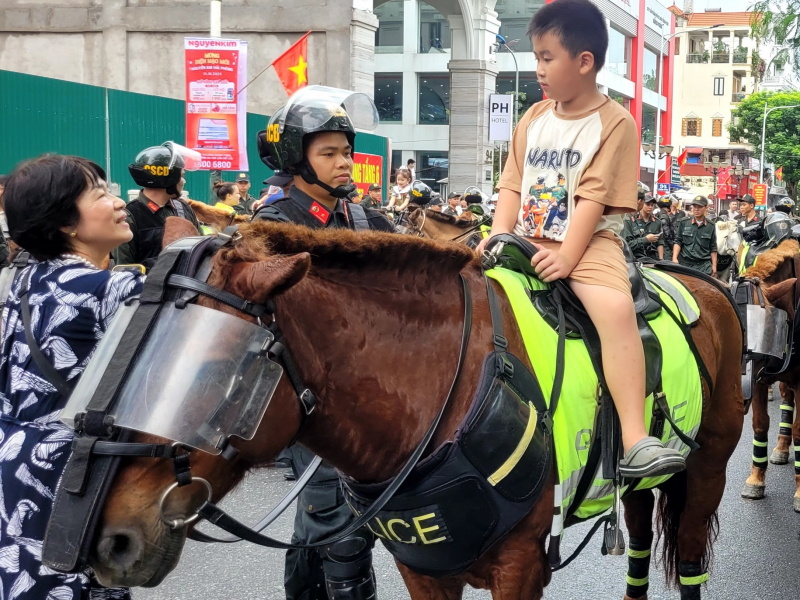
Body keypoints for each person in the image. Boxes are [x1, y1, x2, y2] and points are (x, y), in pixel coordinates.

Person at [478, 0, 684, 478]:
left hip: (588, 245)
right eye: (536, 57)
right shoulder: (533, 117)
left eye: (547, 57)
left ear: (584, 61)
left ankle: (635, 437)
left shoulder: (617, 124)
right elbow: (511, 182)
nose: (539, 69)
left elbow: (591, 198)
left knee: (614, 312)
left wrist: (567, 255)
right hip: (523, 239)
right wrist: (496, 237)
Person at [253, 86, 393, 600]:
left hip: (369, 393)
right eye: (328, 153)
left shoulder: (364, 218)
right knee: (339, 524)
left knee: (319, 527)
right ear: (297, 160)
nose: (345, 163)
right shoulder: (274, 225)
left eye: (347, 152)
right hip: (306, 396)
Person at [0, 154, 143, 600]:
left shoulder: (20, 283)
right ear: (66, 223)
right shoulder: (112, 288)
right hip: (70, 473)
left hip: (11, 461)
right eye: (101, 193)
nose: (119, 202)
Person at [112, 142, 201, 270]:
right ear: (168, 178)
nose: (184, 181)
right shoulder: (129, 216)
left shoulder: (184, 208)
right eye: (182, 176)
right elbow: (124, 272)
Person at [672, 195, 717, 275]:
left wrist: (714, 266)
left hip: (703, 266)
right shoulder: (684, 222)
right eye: (694, 206)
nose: (696, 209)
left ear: (706, 208)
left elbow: (713, 247)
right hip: (685, 264)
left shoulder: (711, 226)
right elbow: (678, 241)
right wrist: (674, 258)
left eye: (699, 207)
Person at [622, 193, 664, 260]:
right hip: (635, 259)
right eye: (647, 204)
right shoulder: (629, 219)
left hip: (650, 258)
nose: (650, 207)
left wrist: (661, 259)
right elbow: (626, 245)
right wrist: (646, 239)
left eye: (652, 205)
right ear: (640, 201)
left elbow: (660, 242)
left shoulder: (657, 222)